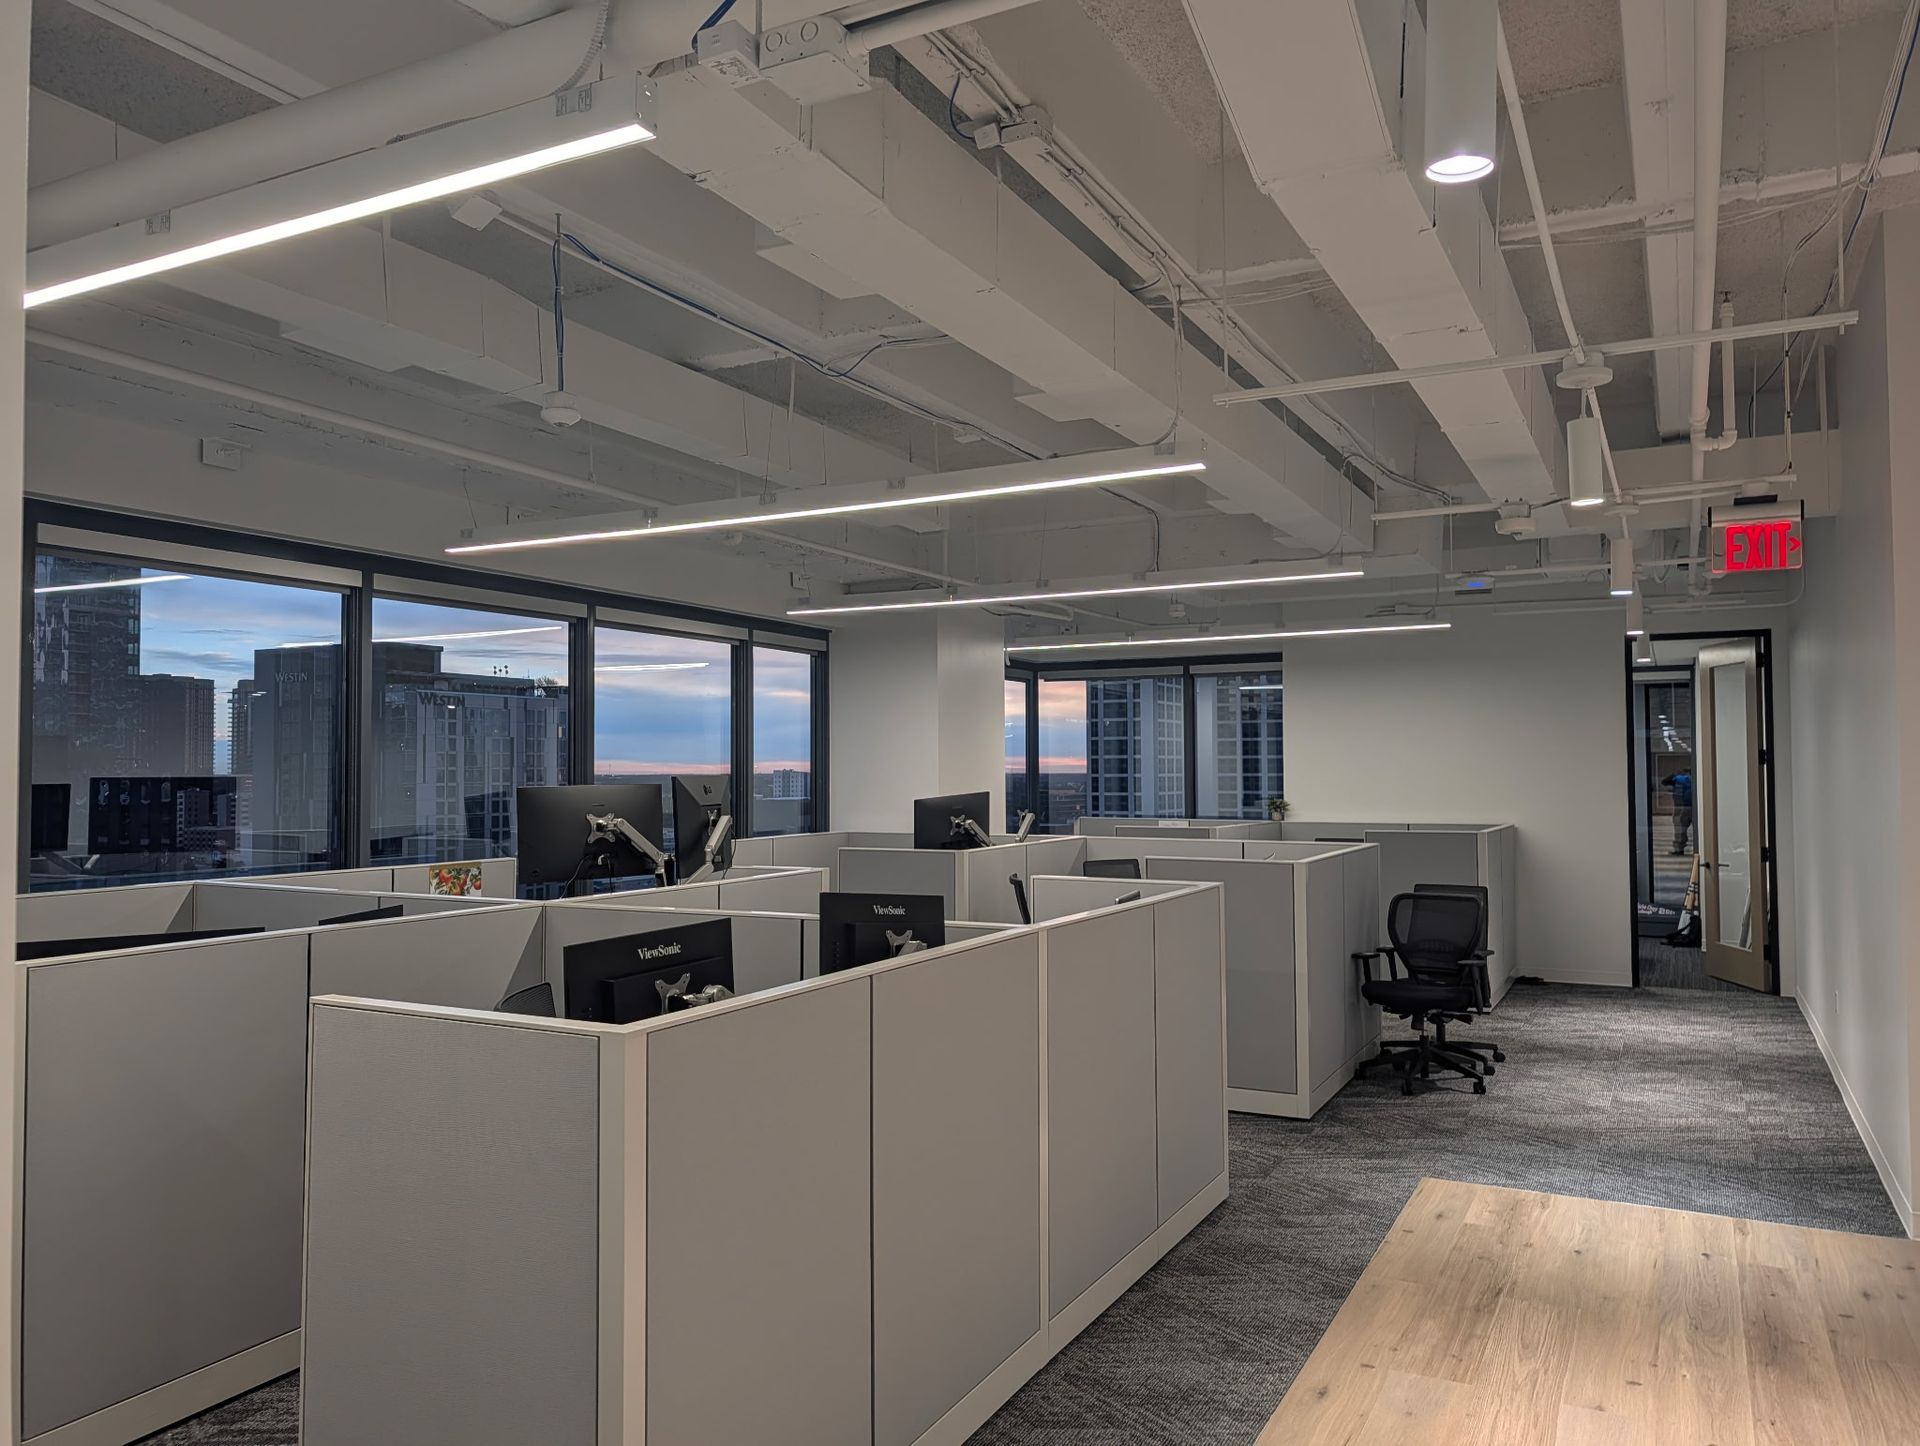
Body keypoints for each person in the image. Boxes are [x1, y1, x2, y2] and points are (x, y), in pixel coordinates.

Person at [1664, 769, 1694, 855]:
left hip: (1680, 806)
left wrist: (1674, 774)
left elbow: (1665, 782)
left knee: (1679, 829)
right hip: (1694, 806)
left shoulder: (1678, 778)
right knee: (1699, 829)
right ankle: (1700, 848)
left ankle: (1679, 849)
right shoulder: (1696, 779)